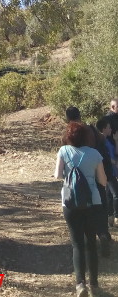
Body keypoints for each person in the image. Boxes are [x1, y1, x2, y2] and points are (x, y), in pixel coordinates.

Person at [55, 121, 107, 297]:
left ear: (68, 136)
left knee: (77, 244)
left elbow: (57, 175)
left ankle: (80, 285)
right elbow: (102, 181)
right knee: (91, 243)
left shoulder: (63, 151)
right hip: (92, 202)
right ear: (86, 136)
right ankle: (95, 285)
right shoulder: (95, 154)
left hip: (70, 203)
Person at [65, 107, 112, 254]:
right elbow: (102, 144)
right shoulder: (91, 129)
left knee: (80, 207)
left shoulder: (69, 132)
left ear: (67, 118)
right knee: (100, 205)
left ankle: (83, 240)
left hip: (77, 177)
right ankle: (103, 233)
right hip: (98, 171)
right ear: (80, 115)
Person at [96, 116, 118, 227]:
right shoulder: (100, 142)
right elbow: (102, 157)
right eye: (109, 128)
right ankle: (116, 216)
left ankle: (110, 218)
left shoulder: (108, 141)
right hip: (106, 172)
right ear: (104, 128)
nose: (110, 129)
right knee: (116, 194)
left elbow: (115, 153)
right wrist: (112, 161)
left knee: (109, 195)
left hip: (112, 171)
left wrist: (116, 140)